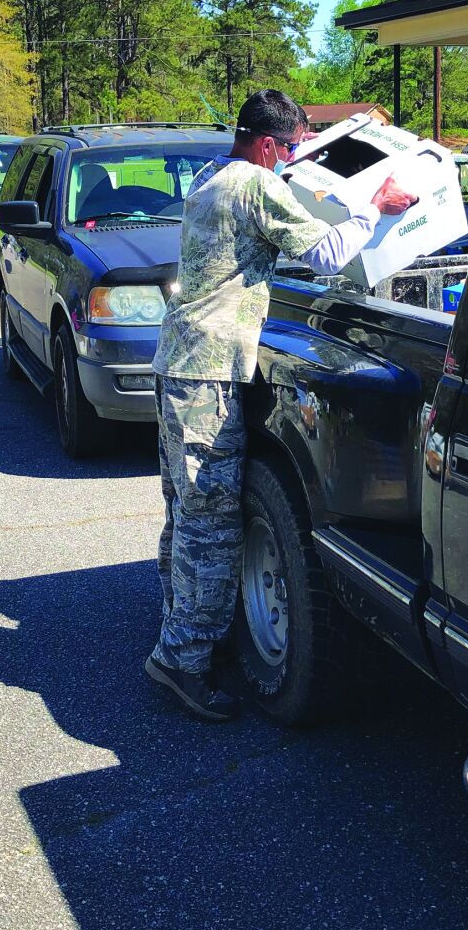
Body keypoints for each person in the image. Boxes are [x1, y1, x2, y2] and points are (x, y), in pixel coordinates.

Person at [147, 88, 418, 722]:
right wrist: (375, 210)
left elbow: (269, 203)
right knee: (211, 521)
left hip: (180, 365)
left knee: (184, 512)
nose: (292, 157)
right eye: (290, 147)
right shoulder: (252, 186)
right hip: (209, 373)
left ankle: (178, 637)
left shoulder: (218, 173)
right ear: (268, 144)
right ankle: (183, 663)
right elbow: (323, 255)